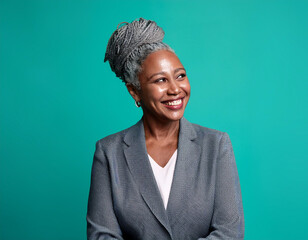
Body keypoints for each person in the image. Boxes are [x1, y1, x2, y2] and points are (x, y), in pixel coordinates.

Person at [86, 18, 244, 240]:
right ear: (135, 91)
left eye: (180, 76)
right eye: (160, 80)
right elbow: (102, 235)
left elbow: (229, 233)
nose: (175, 89)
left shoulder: (216, 145)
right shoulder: (108, 152)